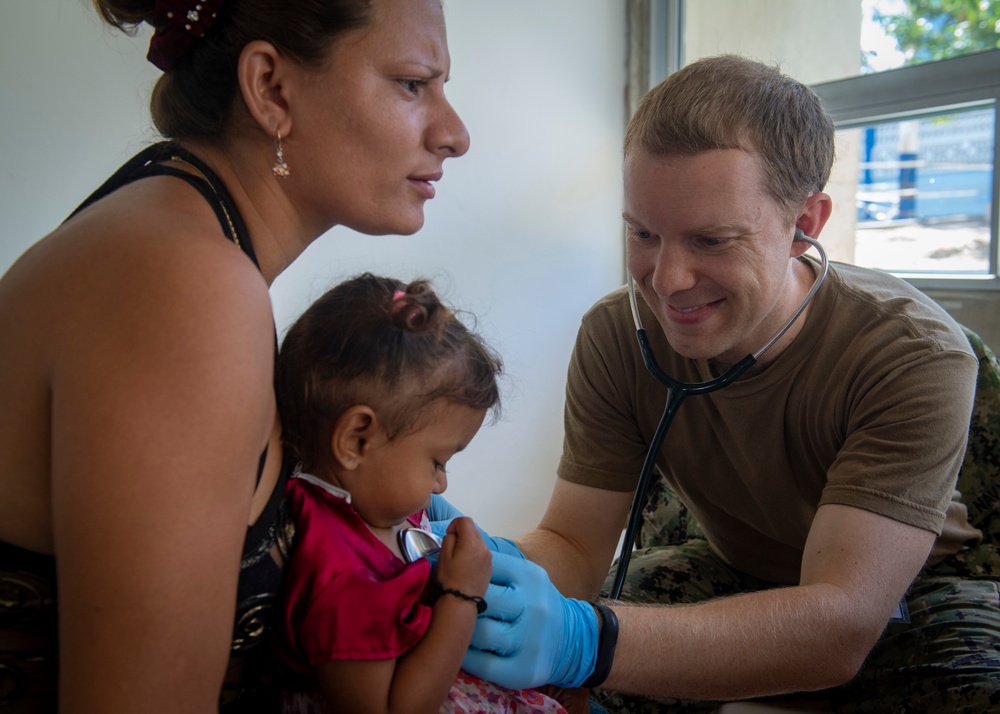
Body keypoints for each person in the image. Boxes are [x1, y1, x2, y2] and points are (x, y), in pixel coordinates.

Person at [450, 55, 999, 713]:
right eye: (643, 233)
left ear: (806, 224)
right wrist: (473, 566)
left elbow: (840, 625)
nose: (667, 279)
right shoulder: (617, 336)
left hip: (914, 591)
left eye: (711, 240)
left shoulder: (912, 353)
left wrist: (588, 643)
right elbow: (572, 545)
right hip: (731, 568)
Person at [0, 0, 468, 710]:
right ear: (272, 89)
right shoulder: (185, 285)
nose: (454, 133)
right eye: (412, 84)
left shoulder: (171, 218)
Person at [274, 273, 583, 714]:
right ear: (357, 441)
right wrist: (462, 597)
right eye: (437, 462)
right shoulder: (343, 575)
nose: (441, 485)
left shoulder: (366, 511)